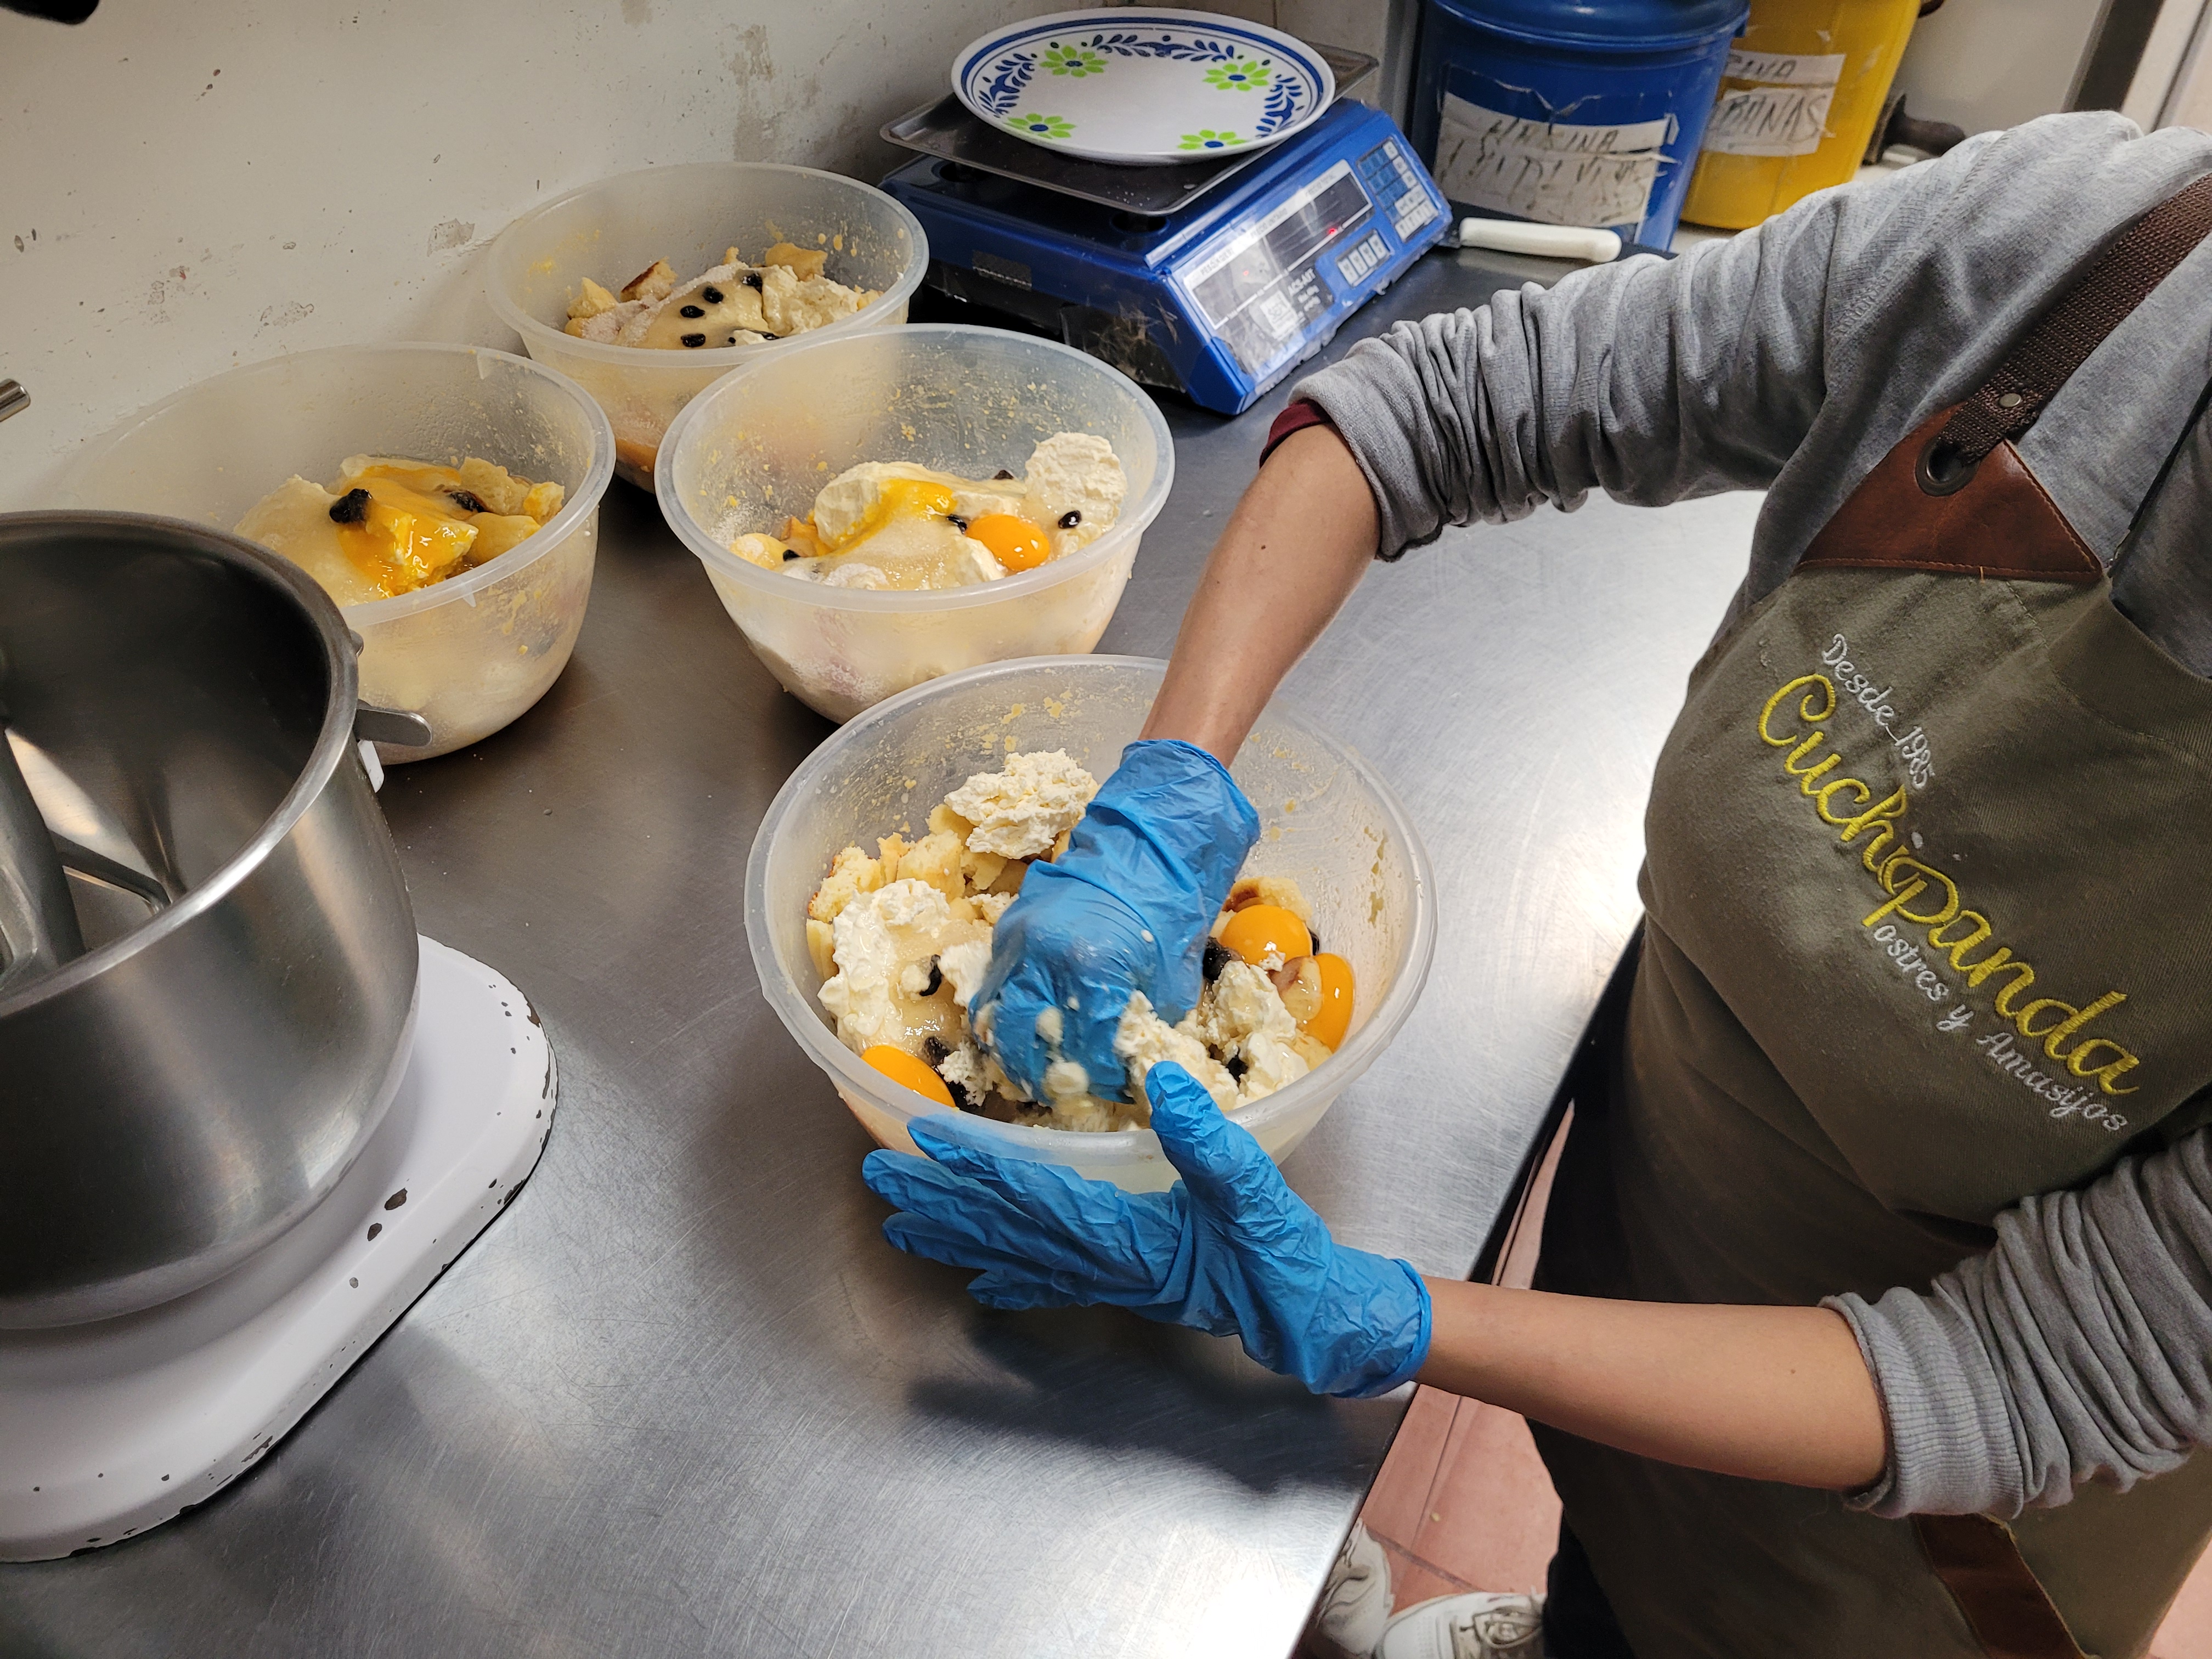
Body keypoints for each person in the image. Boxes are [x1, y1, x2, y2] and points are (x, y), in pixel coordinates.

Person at [862, 111, 2212, 1659]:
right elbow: (1430, 407)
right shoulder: (2077, 253)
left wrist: (1406, 1318)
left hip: (1927, 1505)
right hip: (1674, 1158)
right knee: (1611, 1539)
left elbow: (2044, 1368)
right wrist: (1168, 794)